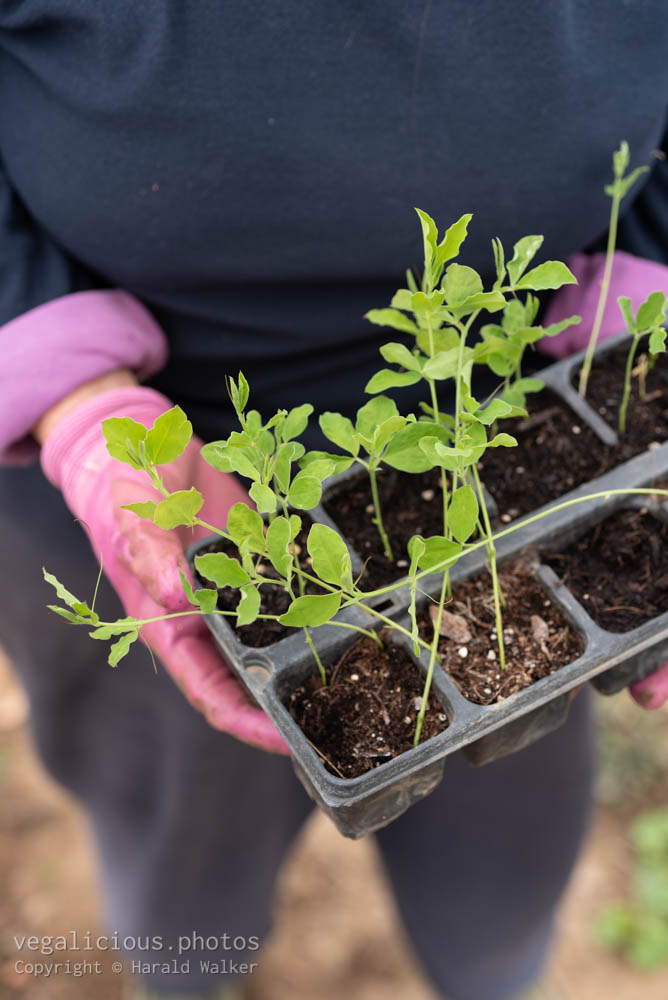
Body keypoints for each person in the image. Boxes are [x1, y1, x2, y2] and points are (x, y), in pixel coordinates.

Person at [1, 5, 668, 999]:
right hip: (150, 484)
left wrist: (642, 283)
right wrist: (67, 386)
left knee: (496, 891)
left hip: (518, 440)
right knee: (182, 886)